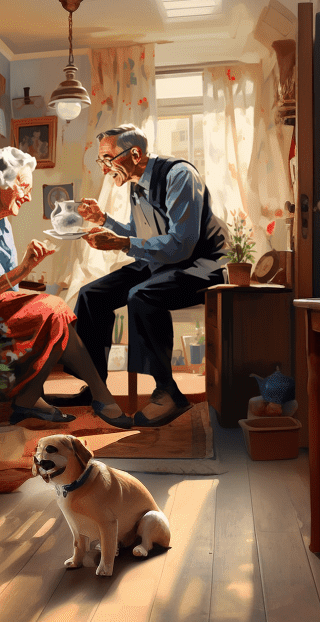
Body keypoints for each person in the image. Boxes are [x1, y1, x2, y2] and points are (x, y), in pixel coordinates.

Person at [0, 147, 131, 427]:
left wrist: (28, 269)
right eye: (24, 186)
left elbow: (9, 284)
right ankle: (86, 396)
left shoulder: (3, 223)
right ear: (0, 183)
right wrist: (24, 269)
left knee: (55, 313)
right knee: (55, 309)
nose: (29, 196)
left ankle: (38, 398)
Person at [60, 124, 227, 428]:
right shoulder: (138, 185)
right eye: (101, 161)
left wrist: (122, 242)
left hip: (203, 262)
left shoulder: (179, 176)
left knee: (143, 296)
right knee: (91, 295)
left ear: (134, 154)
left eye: (108, 159)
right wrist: (105, 221)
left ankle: (168, 391)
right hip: (166, 261)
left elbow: (181, 244)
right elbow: (143, 237)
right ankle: (96, 386)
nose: (105, 168)